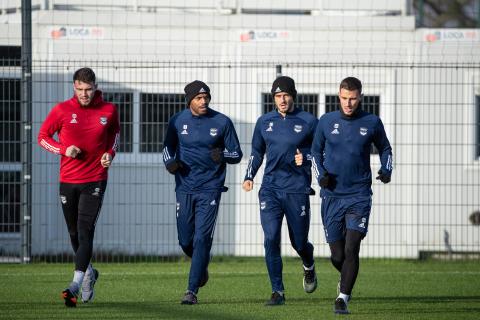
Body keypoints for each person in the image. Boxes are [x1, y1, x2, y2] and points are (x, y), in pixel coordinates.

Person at [38, 67, 120, 307]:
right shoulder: (62, 110)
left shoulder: (109, 110)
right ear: (74, 87)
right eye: (80, 89)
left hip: (95, 179)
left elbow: (115, 134)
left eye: (88, 89)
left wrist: (110, 154)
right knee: (73, 234)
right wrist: (64, 150)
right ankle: (89, 274)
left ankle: (75, 285)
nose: (84, 94)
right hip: (68, 180)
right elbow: (42, 137)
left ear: (95, 87)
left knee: (85, 232)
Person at [311, 77, 393, 314]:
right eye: (345, 98)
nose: (348, 103)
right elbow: (315, 152)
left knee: (351, 247)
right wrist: (321, 175)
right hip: (331, 195)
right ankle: (346, 278)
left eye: (353, 99)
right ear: (339, 96)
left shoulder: (372, 122)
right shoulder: (326, 121)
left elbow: (385, 148)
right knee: (337, 255)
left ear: (360, 97)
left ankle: (342, 298)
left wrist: (387, 170)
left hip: (359, 195)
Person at [163, 80, 243, 305]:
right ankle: (201, 266)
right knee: (186, 240)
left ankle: (191, 290)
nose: (204, 101)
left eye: (206, 97)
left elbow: (236, 153)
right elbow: (167, 147)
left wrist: (222, 155)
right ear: (189, 100)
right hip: (185, 187)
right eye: (199, 98)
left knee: (201, 238)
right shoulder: (178, 121)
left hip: (211, 188)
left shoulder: (222, 122)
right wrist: (170, 163)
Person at [242, 76, 318, 306]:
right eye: (277, 96)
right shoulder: (264, 121)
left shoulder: (309, 121)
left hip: (297, 190)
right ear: (273, 98)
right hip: (271, 190)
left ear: (293, 95)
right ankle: (278, 291)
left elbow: (321, 153)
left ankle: (309, 264)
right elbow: (256, 152)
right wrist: (249, 176)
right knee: (271, 238)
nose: (282, 100)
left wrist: (305, 157)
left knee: (299, 242)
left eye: (285, 95)